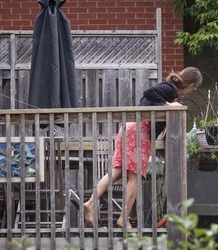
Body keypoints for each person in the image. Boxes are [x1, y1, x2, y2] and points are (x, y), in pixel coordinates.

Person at [84, 67, 203, 228]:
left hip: (130, 128)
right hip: (140, 131)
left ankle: (90, 203)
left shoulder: (170, 90)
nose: (192, 91)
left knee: (117, 171)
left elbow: (151, 105)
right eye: (194, 88)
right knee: (135, 177)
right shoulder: (169, 88)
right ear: (191, 85)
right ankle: (123, 218)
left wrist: (166, 121)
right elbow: (149, 93)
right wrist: (167, 105)